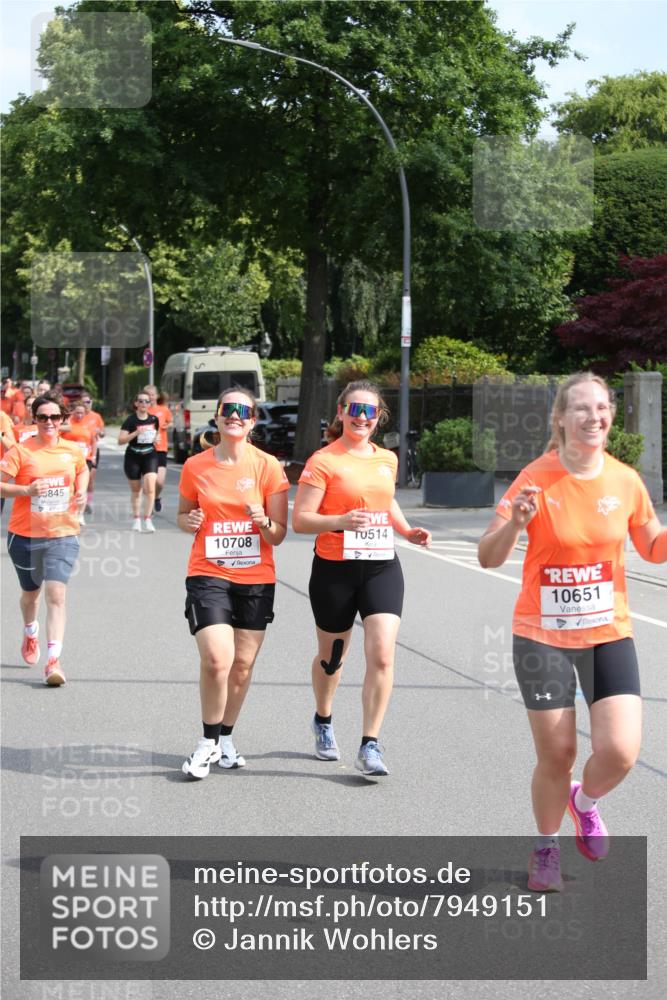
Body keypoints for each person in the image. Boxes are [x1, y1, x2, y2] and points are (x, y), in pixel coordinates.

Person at [478, 372, 667, 892]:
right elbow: (487, 557)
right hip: (542, 637)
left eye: (602, 408)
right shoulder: (535, 478)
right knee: (556, 754)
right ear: (560, 419)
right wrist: (516, 522)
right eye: (581, 409)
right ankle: (546, 849)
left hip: (608, 633)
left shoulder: (626, 480)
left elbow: (652, 547)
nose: (594, 417)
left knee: (622, 752)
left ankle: (583, 802)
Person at [292, 380, 431, 779]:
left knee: (383, 653)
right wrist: (340, 521)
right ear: (340, 412)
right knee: (332, 659)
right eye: (355, 409)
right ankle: (323, 718)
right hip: (334, 567)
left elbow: (386, 500)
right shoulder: (323, 461)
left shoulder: (386, 458)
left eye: (370, 411)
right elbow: (302, 519)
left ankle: (370, 743)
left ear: (379, 417)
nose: (362, 417)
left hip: (381, 564)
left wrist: (406, 531)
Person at [178, 387, 289, 779]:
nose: (235, 416)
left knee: (242, 666)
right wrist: (188, 521)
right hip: (208, 572)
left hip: (255, 577)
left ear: (253, 420)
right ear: (218, 416)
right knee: (216, 659)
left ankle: (226, 738)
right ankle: (206, 742)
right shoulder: (196, 466)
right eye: (228, 409)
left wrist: (263, 521)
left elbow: (278, 535)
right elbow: (183, 515)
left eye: (243, 411)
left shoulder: (268, 466)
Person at [0, 394, 89, 686]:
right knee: (31, 595)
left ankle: (53, 661)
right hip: (25, 536)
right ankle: (30, 631)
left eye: (54, 417)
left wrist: (82, 491)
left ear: (62, 419)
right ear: (34, 419)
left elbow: (83, 469)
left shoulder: (72, 450)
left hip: (63, 533)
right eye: (42, 417)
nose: (49, 422)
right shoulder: (21, 451)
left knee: (56, 594)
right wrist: (26, 492)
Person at [118, 393, 160, 532]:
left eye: (146, 401)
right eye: (141, 401)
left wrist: (156, 439)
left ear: (150, 404)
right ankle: (137, 519)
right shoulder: (130, 420)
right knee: (136, 490)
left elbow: (156, 433)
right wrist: (136, 433)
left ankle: (148, 519)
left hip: (150, 454)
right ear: (136, 403)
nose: (143, 404)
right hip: (133, 456)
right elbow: (121, 441)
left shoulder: (154, 419)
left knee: (150, 487)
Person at [61, 401, 97, 525]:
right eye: (77, 412)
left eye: (82, 413)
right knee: (72, 487)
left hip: (85, 459)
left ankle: (80, 514)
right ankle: (70, 512)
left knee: (82, 487)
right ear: (73, 412)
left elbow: (93, 441)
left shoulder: (89, 425)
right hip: (69, 459)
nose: (79, 415)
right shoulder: (67, 423)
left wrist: (93, 456)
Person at [144, 384, 173, 513]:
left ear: (157, 396)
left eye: (152, 394)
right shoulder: (143, 411)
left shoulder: (164, 409)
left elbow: (171, 421)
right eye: (147, 394)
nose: (150, 397)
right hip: (146, 449)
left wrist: (168, 425)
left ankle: (156, 497)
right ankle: (149, 504)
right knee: (149, 480)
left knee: (160, 482)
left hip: (161, 448)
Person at [79, 393, 105, 514]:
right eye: (83, 402)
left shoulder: (96, 417)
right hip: (78, 452)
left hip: (92, 451)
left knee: (89, 478)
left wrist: (100, 432)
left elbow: (103, 433)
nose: (86, 405)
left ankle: (88, 502)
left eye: (88, 402)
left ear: (91, 402)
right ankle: (79, 501)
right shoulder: (78, 416)